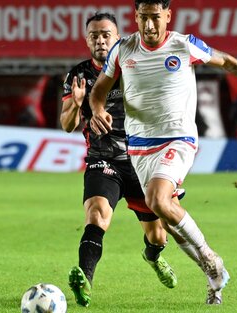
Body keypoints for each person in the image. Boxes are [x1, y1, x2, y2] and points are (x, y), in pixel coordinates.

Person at [89, 0, 237, 305]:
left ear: (168, 16)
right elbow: (99, 89)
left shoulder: (184, 45)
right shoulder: (122, 50)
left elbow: (226, 61)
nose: (149, 26)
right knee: (170, 224)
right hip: (139, 148)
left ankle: (210, 257)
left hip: (178, 138)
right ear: (135, 17)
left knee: (156, 199)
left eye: (155, 18)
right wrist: (96, 110)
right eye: (143, 18)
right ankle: (214, 282)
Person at [61, 12, 179, 308]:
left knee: (157, 236)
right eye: (94, 35)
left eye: (105, 34)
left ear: (117, 38)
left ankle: (152, 256)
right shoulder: (77, 76)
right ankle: (85, 281)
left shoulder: (136, 66)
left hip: (142, 161)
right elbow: (66, 125)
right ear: (87, 40)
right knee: (97, 215)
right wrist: (77, 106)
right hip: (103, 160)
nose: (100, 40)